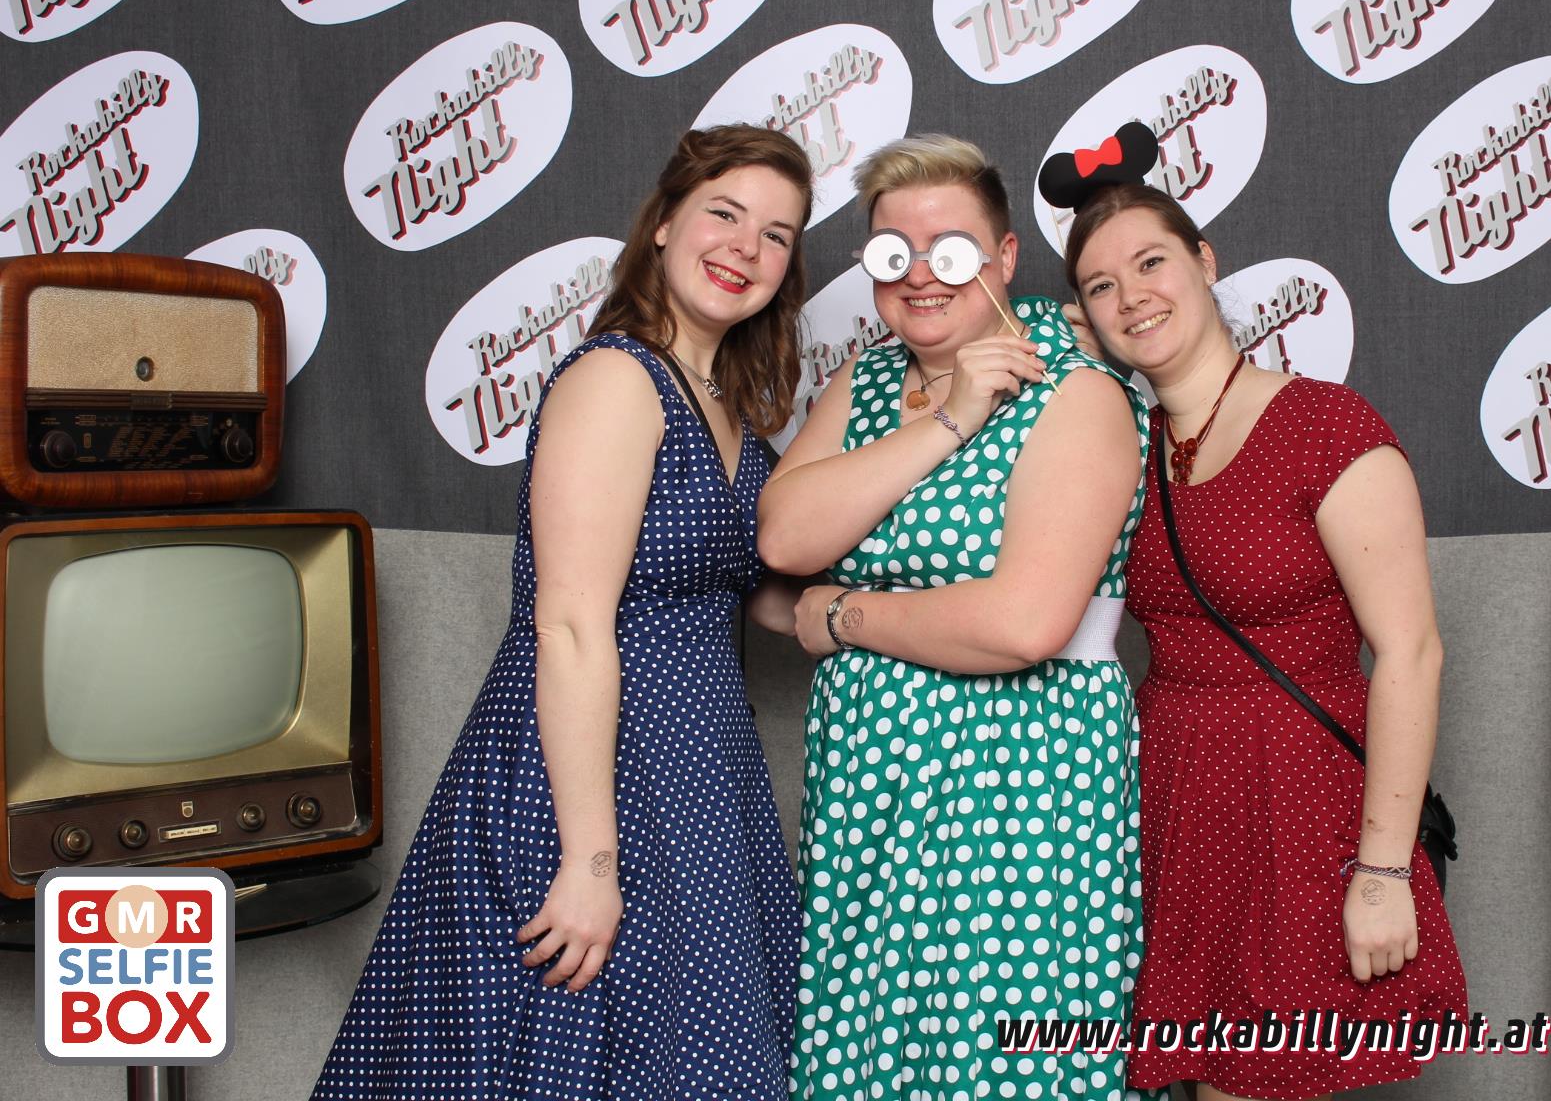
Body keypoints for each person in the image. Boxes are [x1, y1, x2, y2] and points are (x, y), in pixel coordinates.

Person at [312, 125, 815, 1100]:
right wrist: (587, 858)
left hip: (697, 770)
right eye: (723, 213)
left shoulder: (725, 402)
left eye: (775, 234)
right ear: (663, 223)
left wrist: (900, 610)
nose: (744, 247)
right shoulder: (616, 379)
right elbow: (572, 623)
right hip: (588, 776)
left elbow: (750, 592)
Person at [757, 135, 1148, 1100]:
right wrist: (952, 416)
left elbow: (1022, 625)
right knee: (868, 1052)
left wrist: (842, 617)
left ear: (1005, 257)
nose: (921, 275)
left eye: (953, 250)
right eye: (894, 252)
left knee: (1002, 1059)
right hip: (867, 788)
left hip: (1015, 783)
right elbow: (784, 536)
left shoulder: (1073, 388)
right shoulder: (867, 380)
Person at [1062, 179, 1467, 1098]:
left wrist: (1380, 872)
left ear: (1204, 263)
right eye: (1099, 286)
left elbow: (1411, 653)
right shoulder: (1121, 448)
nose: (1131, 297)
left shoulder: (1326, 425)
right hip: (1171, 808)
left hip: (1299, 808)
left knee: (1254, 1080)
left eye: (1151, 262)